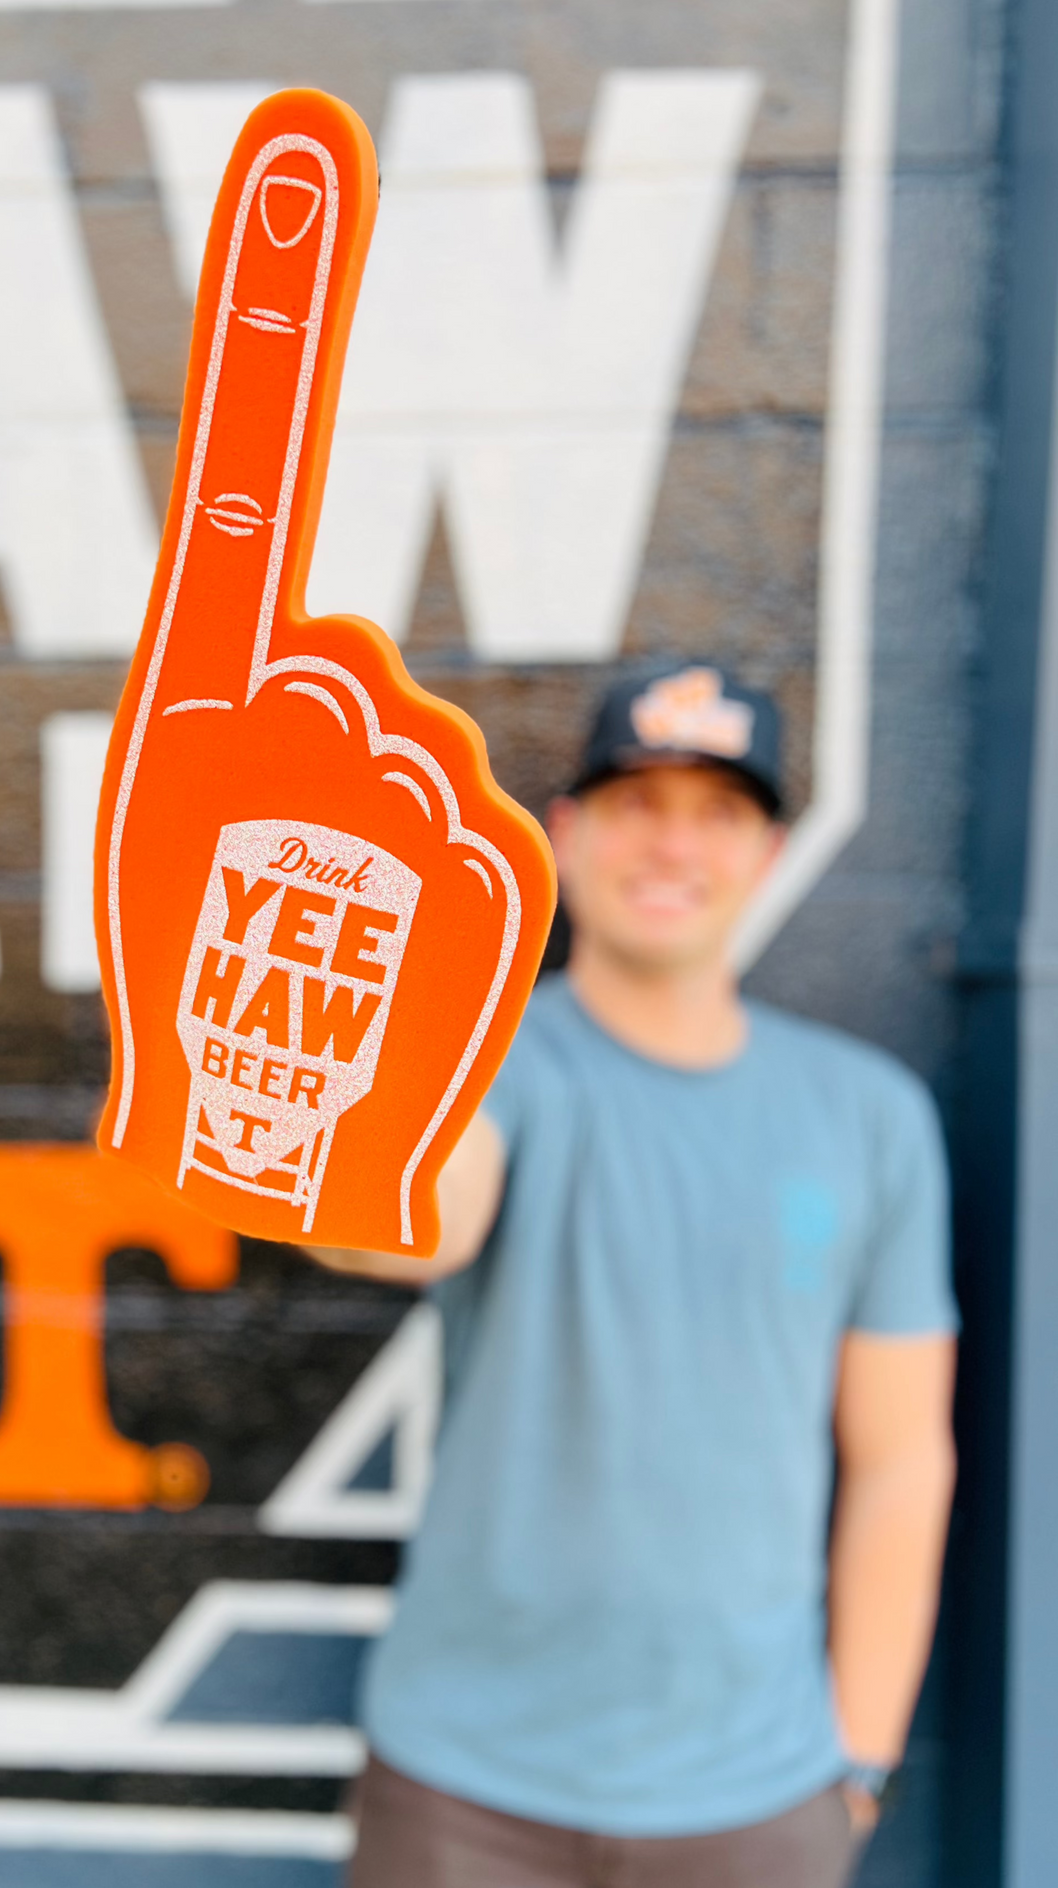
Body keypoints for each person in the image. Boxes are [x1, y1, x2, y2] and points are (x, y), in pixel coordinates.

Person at [310, 662, 958, 1888]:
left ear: (767, 851)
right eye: (633, 803)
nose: (670, 844)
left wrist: (853, 1771)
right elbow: (404, 1223)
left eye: (713, 811)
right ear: (563, 836)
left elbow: (900, 1460)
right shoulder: (490, 1069)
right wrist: (310, 1144)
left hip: (757, 1802)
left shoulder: (868, 1118)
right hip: (463, 1786)